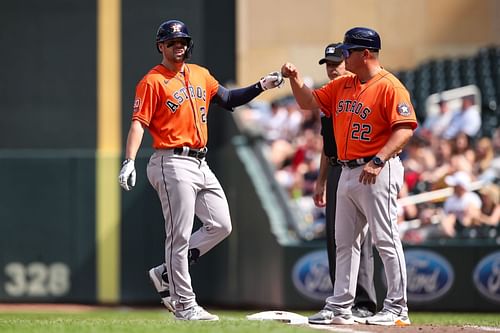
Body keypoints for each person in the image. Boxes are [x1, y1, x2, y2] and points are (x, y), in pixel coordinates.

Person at [118, 19, 283, 321]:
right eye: (172, 42)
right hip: (171, 160)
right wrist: (129, 161)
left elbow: (229, 99)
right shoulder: (152, 81)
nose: (178, 45)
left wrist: (260, 86)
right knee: (178, 236)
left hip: (200, 162)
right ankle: (184, 305)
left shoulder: (200, 75)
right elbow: (139, 123)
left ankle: (165, 273)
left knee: (221, 225)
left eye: (182, 41)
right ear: (161, 47)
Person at [281, 27, 418, 326]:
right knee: (344, 242)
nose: (343, 55)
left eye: (348, 51)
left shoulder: (390, 86)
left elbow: (405, 127)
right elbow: (307, 102)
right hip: (345, 169)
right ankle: (341, 305)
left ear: (365, 54)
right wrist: (295, 79)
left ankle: (397, 307)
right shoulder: (343, 85)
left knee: (385, 239)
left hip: (377, 168)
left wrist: (379, 160)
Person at [312, 43, 377, 322]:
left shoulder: (360, 91)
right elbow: (328, 146)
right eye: (327, 63)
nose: (331, 68)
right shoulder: (329, 99)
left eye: (336, 62)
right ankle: (341, 301)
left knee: (360, 239)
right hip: (338, 168)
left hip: (364, 167)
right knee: (336, 238)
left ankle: (365, 301)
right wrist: (321, 181)